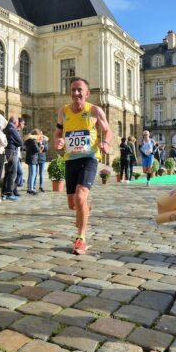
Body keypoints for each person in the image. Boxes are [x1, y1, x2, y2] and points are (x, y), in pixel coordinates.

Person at [55, 78, 113, 255]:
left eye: (80, 90)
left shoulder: (95, 110)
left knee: (80, 197)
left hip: (89, 158)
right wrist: (59, 139)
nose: (76, 93)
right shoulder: (63, 111)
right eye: (73, 90)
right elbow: (58, 131)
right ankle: (85, 209)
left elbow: (108, 130)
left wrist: (106, 143)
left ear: (87, 93)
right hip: (70, 159)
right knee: (73, 205)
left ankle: (80, 239)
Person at [2, 116, 23, 200]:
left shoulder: (6, 128)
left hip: (7, 151)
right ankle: (9, 193)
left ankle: (4, 192)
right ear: (15, 122)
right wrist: (18, 143)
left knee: (7, 172)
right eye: (17, 122)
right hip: (12, 151)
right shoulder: (12, 129)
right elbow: (20, 142)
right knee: (13, 173)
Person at [24, 129, 42, 195]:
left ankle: (29, 188)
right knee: (33, 174)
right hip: (32, 159)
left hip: (31, 158)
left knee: (31, 174)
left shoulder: (30, 140)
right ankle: (31, 189)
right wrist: (40, 144)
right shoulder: (33, 141)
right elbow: (37, 149)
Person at [15, 117, 26, 192]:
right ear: (20, 123)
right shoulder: (15, 131)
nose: (24, 125)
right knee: (19, 172)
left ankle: (15, 188)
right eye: (24, 123)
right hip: (14, 155)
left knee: (17, 173)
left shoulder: (18, 131)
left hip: (18, 155)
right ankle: (15, 187)